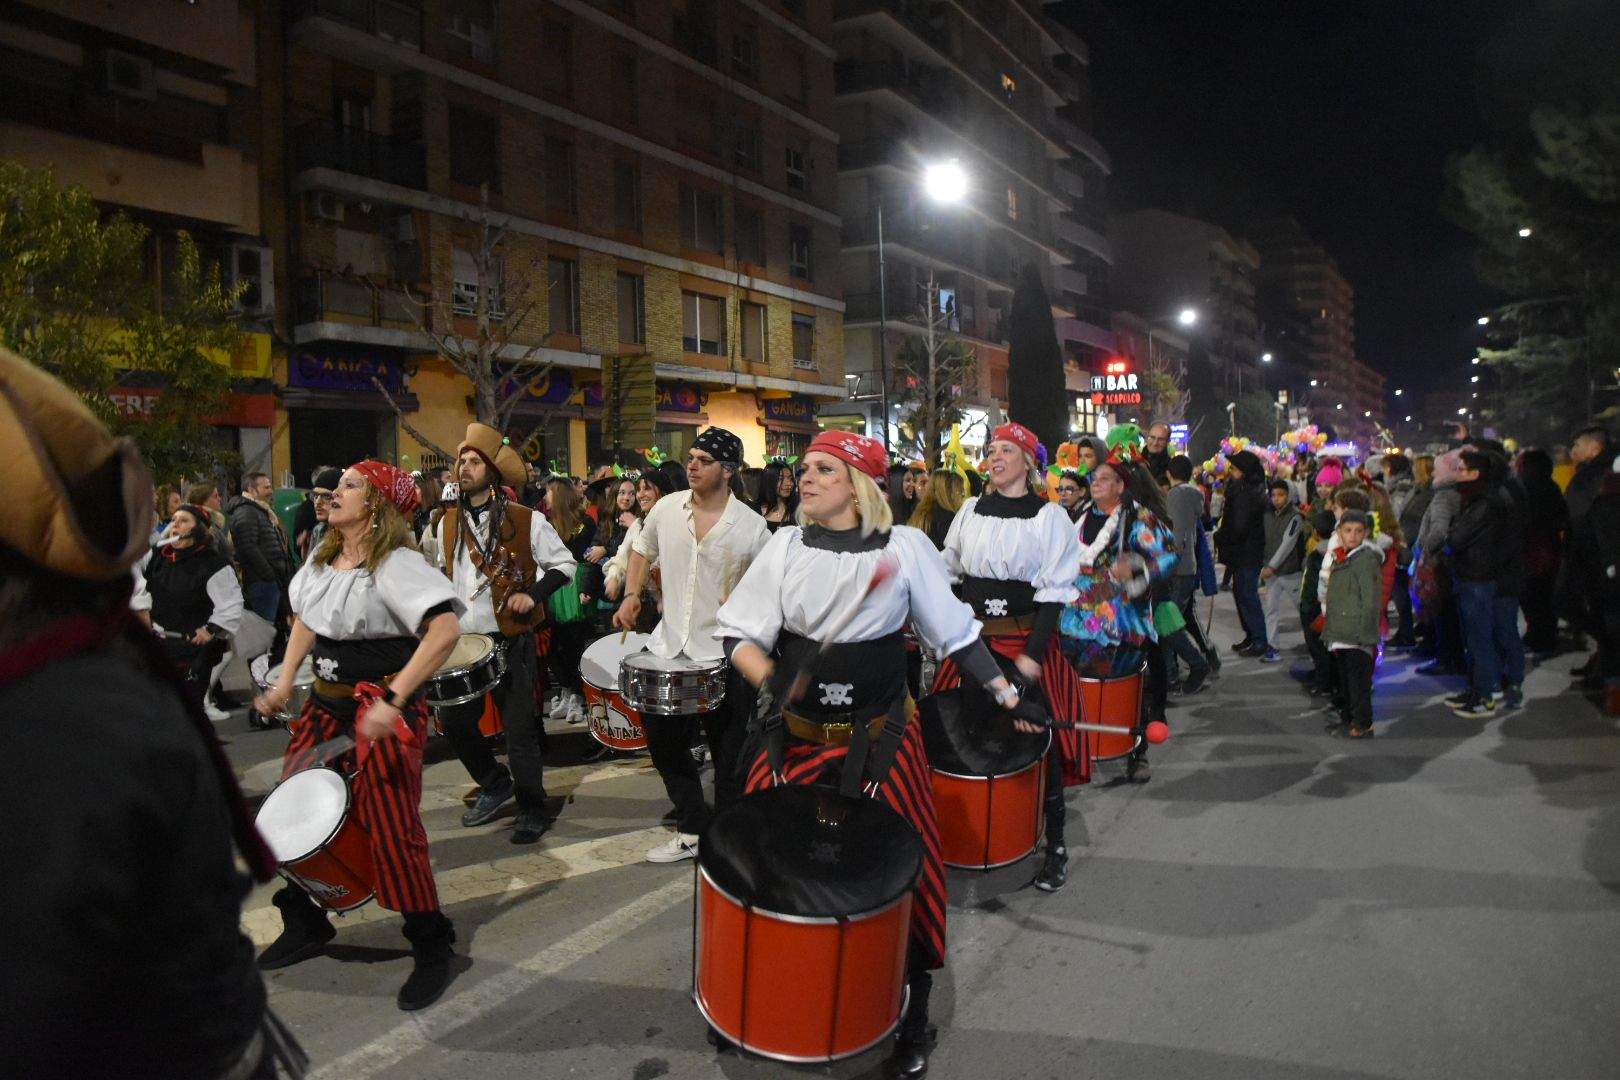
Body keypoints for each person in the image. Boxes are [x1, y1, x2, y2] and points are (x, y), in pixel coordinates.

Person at [0, 347, 296, 1078]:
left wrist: (219, 640)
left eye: (187, 527)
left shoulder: (58, 721)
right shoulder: (80, 669)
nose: (177, 536)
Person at [717, 430, 1031, 1080]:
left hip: (883, 742)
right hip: (797, 741)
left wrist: (1004, 690)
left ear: (858, 485)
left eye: (824, 469)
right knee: (766, 867)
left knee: (901, 871)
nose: (805, 478)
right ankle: (773, 990)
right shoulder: (784, 546)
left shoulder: (907, 550)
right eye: (805, 468)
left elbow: (957, 633)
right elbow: (741, 636)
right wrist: (772, 681)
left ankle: (909, 1009)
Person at [254, 460, 465, 1010]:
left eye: (348, 486)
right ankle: (305, 920)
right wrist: (283, 682)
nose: (332, 494)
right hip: (325, 710)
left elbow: (444, 631)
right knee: (293, 817)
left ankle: (430, 939)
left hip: (380, 710)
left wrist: (394, 702)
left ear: (376, 503)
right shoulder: (324, 557)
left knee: (392, 825)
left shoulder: (396, 563)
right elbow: (306, 619)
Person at [935, 422, 1085, 892]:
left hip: (1025, 644)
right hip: (973, 645)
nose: (994, 457)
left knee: (1041, 741)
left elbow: (1054, 595)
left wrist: (1031, 660)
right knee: (959, 736)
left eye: (1005, 450)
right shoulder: (968, 511)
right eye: (991, 450)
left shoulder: (1050, 518)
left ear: (1028, 461)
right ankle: (969, 836)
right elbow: (949, 574)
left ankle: (1055, 844)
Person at [613, 427, 770, 863]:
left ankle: (729, 838)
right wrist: (631, 595)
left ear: (728, 470)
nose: (693, 464)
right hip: (669, 650)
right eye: (692, 456)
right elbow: (642, 550)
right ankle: (691, 827)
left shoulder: (753, 528)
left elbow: (770, 590)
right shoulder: (666, 509)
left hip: (724, 655)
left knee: (729, 757)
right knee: (664, 745)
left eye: (704, 459)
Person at [436, 424, 578, 843]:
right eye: (461, 460)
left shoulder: (526, 519)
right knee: (456, 724)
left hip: (510, 639)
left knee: (520, 730)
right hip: (464, 642)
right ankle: (494, 782)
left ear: (493, 473)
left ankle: (532, 807)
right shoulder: (445, 524)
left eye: (474, 461)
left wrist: (532, 596)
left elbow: (564, 565)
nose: (464, 467)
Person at [1060, 453, 1179, 781]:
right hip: (1075, 620)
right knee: (1077, 689)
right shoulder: (1079, 516)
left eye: (1103, 478)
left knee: (1127, 687)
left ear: (1121, 486)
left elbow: (1169, 557)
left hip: (1119, 622)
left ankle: (1137, 752)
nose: (1095, 483)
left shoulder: (1137, 518)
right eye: (1093, 478)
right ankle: (1079, 752)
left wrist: (1138, 567)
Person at [133, 503, 244, 717]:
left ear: (198, 529)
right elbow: (131, 576)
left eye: (183, 521)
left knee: (185, 712)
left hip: (191, 649)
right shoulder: (156, 557)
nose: (175, 525)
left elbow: (230, 604)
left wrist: (209, 630)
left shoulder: (213, 565)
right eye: (173, 520)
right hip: (157, 644)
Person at [1446, 448, 1527, 717]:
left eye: (1461, 469)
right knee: (1481, 637)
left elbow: (1459, 537)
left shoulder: (1487, 501)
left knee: (1486, 637)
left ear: (1476, 473)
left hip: (1482, 576)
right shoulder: (1481, 497)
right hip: (1481, 575)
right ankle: (1481, 688)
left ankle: (1488, 693)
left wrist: (1452, 534)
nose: (1455, 474)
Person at [1318, 509, 1382, 738]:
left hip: (1356, 634)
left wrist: (1365, 632)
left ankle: (1362, 724)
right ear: (1339, 533)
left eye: (1358, 531)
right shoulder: (1341, 557)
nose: (1353, 535)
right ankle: (1350, 720)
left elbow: (1371, 599)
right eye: (1348, 531)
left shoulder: (1364, 560)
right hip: (1341, 631)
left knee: (1358, 683)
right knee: (1346, 681)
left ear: (1365, 533)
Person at [542, 475, 597, 723]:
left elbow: (578, 554)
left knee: (574, 643)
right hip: (552, 590)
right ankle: (566, 690)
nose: (545, 498)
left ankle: (577, 695)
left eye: (549, 493)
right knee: (554, 647)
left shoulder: (584, 523)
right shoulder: (545, 523)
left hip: (575, 588)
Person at [1164, 455, 1216, 687]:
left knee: (1168, 624)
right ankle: (1206, 656)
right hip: (1189, 566)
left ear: (1169, 474)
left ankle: (1189, 667)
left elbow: (1176, 537)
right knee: (1181, 618)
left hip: (1176, 568)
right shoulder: (1197, 494)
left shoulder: (1175, 497)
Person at [1214, 449, 1270, 657]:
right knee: (1241, 594)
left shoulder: (1247, 493)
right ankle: (1251, 635)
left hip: (1247, 552)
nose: (1231, 472)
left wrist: (1222, 536)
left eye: (1235, 469)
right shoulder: (1242, 489)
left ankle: (1259, 639)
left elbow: (1240, 526)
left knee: (1247, 595)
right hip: (1240, 552)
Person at [1516, 448, 1569, 656]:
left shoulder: (1527, 490)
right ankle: (1543, 634)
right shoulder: (1551, 487)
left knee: (1533, 594)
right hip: (1549, 548)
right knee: (1543, 594)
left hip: (1533, 549)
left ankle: (1540, 636)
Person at [227, 472, 293, 629]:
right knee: (262, 633)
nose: (271, 491)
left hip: (272, 582)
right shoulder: (246, 511)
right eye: (266, 487)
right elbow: (247, 548)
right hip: (262, 584)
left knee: (276, 632)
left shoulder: (260, 511)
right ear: (251, 489)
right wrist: (269, 575)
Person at [1258, 479, 1306, 663]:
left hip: (1290, 571)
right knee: (1270, 610)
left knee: (1303, 608)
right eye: (1274, 495)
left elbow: (1288, 543)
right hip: (1272, 572)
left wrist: (1271, 566)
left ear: (1288, 495)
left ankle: (1316, 641)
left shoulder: (1295, 516)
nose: (1277, 499)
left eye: (1281, 495)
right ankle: (1273, 646)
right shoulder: (1267, 515)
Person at [1298, 509, 1338, 698]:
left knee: (1318, 647)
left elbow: (1314, 584)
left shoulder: (1317, 556)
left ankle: (1324, 682)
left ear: (1315, 531)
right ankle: (1323, 677)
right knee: (1324, 648)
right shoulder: (1331, 552)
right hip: (1321, 607)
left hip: (1314, 608)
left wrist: (1307, 606)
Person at [909, 468, 965, 549]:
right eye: (959, 489)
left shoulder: (920, 512)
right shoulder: (946, 517)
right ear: (947, 491)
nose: (962, 494)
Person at [758, 458, 799, 531]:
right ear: (769, 481)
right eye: (781, 479)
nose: (789, 483)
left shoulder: (798, 510)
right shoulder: (756, 512)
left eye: (790, 478)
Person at [1141, 422, 1173, 486]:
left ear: (1168, 441)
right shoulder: (1134, 462)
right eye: (1152, 437)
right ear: (1147, 438)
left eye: (1160, 439)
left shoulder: (1172, 468)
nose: (1155, 443)